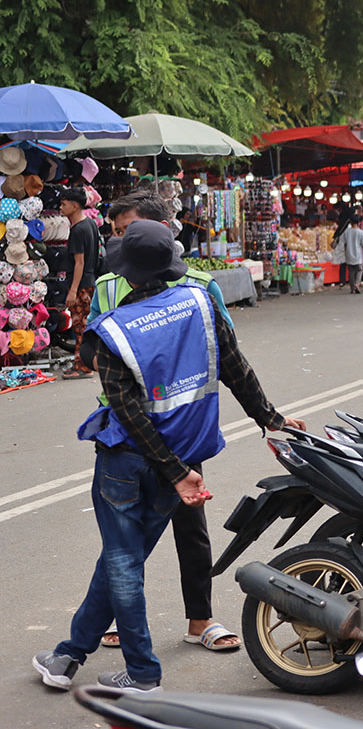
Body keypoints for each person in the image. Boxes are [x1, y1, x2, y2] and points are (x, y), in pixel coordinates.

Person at [34, 220, 305, 693]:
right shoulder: (201, 304)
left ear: (128, 274)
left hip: (129, 463)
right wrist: (270, 419)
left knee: (122, 561)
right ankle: (68, 655)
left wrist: (177, 473)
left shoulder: (112, 330)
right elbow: (235, 367)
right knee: (124, 558)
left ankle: (141, 673)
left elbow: (129, 411)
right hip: (182, 455)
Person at [87, 194, 237, 652]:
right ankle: (120, 620)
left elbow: (224, 345)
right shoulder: (108, 285)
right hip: (128, 431)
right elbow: (93, 346)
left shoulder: (198, 284)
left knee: (190, 527)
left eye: (126, 230)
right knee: (126, 534)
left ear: (158, 229)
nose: (119, 240)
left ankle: (201, 620)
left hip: (182, 430)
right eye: (115, 232)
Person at [61, 187, 101, 379]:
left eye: (64, 203)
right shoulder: (91, 224)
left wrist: (73, 290)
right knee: (84, 325)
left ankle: (82, 366)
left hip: (81, 284)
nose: (61, 207)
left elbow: (79, 262)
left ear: (75, 205)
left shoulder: (78, 230)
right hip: (90, 280)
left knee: (80, 326)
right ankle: (82, 363)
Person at [338, 214, 363, 294]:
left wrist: (346, 251)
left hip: (349, 253)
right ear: (359, 222)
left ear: (350, 222)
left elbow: (345, 244)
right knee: (359, 269)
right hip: (357, 254)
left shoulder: (346, 231)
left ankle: (352, 288)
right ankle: (357, 283)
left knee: (351, 271)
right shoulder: (361, 232)